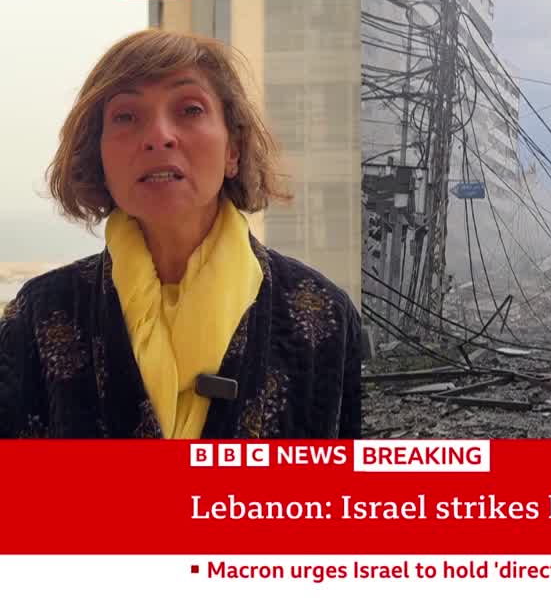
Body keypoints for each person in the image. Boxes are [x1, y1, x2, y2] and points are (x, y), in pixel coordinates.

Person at [0, 30, 361, 438]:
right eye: (126, 116)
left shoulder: (325, 317)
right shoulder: (38, 315)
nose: (158, 136)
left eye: (189, 110)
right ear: (97, 155)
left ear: (233, 150)